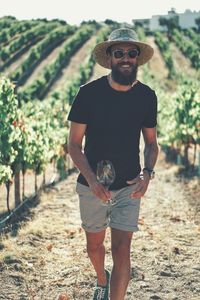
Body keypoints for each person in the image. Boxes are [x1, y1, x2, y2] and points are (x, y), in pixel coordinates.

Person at [67, 28, 159, 300]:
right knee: (94, 247)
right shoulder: (88, 94)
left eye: (131, 53)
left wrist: (147, 174)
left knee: (122, 250)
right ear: (109, 58)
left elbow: (152, 143)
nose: (126, 58)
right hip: (92, 186)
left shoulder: (146, 96)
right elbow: (73, 145)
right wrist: (93, 181)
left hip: (128, 187)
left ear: (138, 59)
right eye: (119, 53)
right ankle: (100, 278)